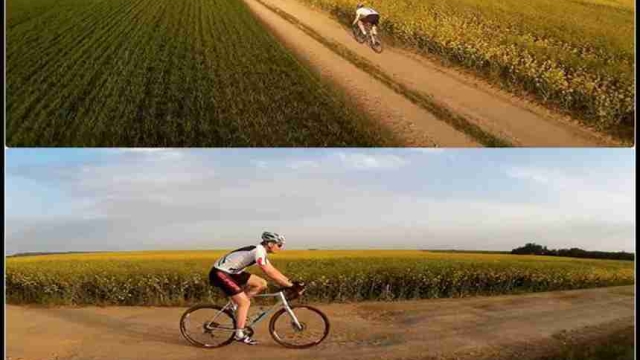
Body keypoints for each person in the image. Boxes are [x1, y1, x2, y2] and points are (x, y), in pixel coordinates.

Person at [208, 231, 299, 345]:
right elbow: (269, 272)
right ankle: (239, 334)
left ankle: (237, 307)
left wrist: (290, 282)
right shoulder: (258, 251)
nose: (281, 248)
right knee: (245, 303)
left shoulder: (261, 251)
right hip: (220, 273)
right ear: (270, 244)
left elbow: (272, 270)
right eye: (279, 245)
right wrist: (290, 286)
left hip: (233, 272)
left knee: (261, 283)